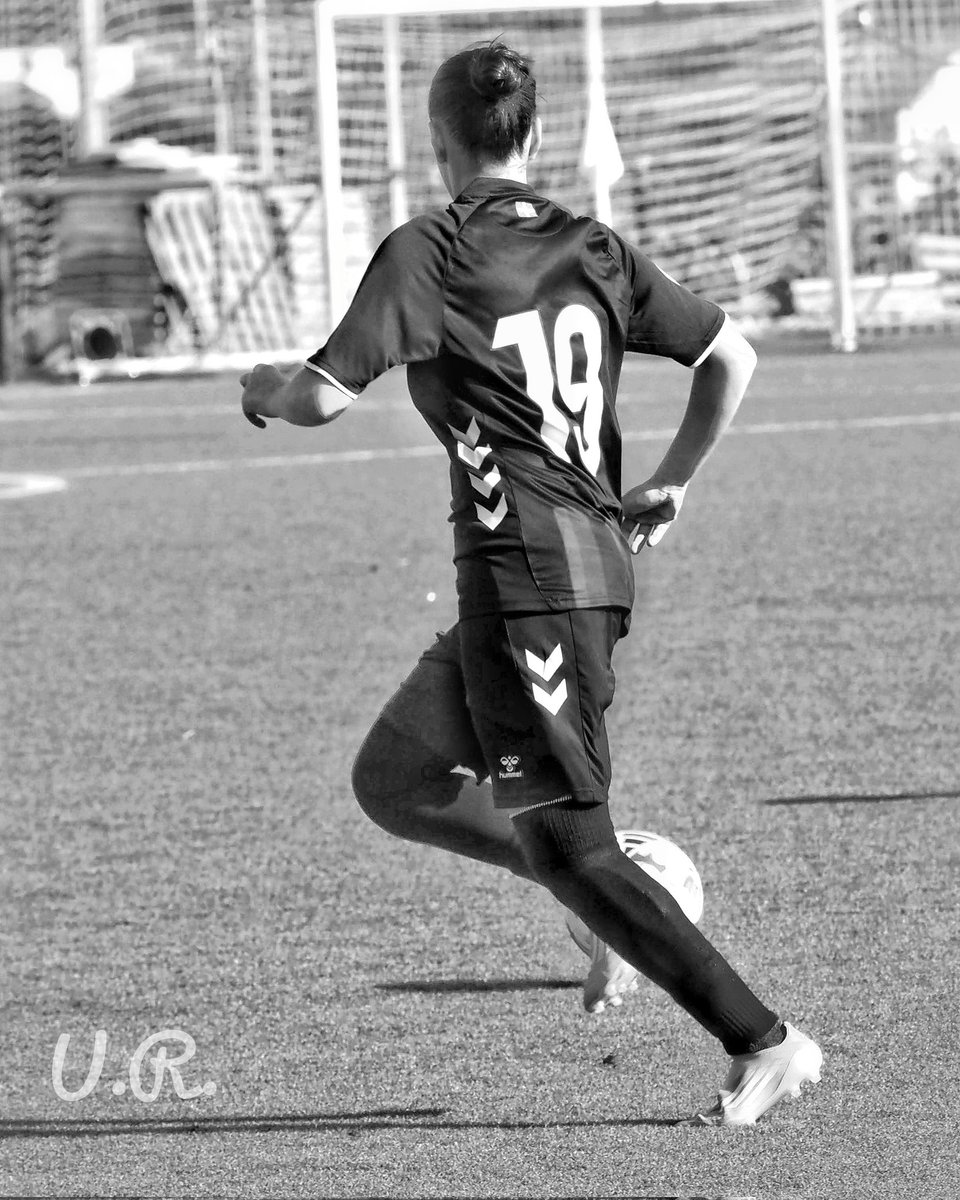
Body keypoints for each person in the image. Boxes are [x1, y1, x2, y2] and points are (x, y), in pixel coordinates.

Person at [240, 41, 822, 1126]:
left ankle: (764, 1039)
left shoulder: (431, 249)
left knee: (569, 846)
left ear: (436, 142)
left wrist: (263, 384)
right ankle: (619, 888)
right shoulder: (592, 245)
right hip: (553, 573)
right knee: (397, 777)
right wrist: (674, 480)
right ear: (537, 135)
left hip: (532, 585)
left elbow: (318, 397)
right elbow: (730, 356)